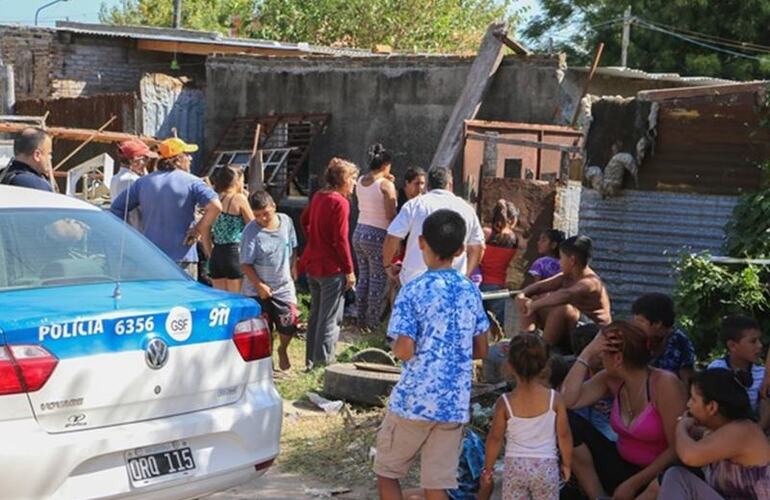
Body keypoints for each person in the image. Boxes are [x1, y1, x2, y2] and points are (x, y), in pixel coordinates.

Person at [374, 209, 489, 500]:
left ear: (421, 242)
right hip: (453, 404)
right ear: (461, 249)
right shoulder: (470, 291)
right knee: (437, 484)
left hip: (414, 401)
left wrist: (397, 347)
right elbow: (481, 349)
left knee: (387, 472)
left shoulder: (412, 291)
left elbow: (404, 350)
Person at [561, 320, 687, 499]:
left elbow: (676, 448)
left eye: (603, 353)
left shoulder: (665, 384)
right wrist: (586, 354)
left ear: (618, 359)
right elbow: (567, 401)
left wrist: (632, 484)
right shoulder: (610, 379)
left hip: (656, 475)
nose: (600, 358)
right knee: (565, 419)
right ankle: (598, 496)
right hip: (620, 464)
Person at [110, 137, 221, 279]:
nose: (190, 158)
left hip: (151, 256)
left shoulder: (143, 182)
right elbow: (215, 206)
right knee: (183, 293)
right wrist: (197, 229)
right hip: (182, 255)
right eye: (187, 154)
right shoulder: (192, 181)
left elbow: (116, 209)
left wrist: (131, 238)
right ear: (178, 159)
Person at [478, 333, 572, 500]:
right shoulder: (554, 399)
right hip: (546, 466)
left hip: (515, 466)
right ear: (545, 365)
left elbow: (495, 438)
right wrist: (566, 463)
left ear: (509, 366)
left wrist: (488, 469)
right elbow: (564, 435)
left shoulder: (505, 402)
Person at [658, 369, 770, 499]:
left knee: (677, 477)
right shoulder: (725, 430)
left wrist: (681, 425)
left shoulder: (741, 430)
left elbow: (689, 456)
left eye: (693, 399)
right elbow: (701, 435)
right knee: (670, 476)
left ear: (712, 407)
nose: (688, 404)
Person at [299, 158, 358, 370]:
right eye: (352, 178)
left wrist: (314, 240)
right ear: (343, 179)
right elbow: (341, 240)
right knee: (330, 319)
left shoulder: (319, 196)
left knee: (316, 316)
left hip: (314, 264)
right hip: (332, 268)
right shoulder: (340, 202)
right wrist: (349, 270)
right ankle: (323, 365)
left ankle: (310, 361)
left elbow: (304, 220)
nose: (354, 183)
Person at [382, 166, 485, 287]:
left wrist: (387, 265)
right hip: (452, 285)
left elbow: (392, 237)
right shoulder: (466, 209)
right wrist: (465, 275)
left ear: (428, 185)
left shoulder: (414, 205)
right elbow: (478, 247)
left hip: (414, 281)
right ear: (450, 185)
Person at [516, 235, 611, 349]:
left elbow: (566, 295)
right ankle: (525, 341)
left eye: (561, 258)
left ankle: (542, 349)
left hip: (592, 332)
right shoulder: (567, 276)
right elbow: (539, 287)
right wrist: (522, 295)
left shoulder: (590, 282)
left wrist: (533, 305)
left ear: (572, 260)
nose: (559, 262)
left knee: (564, 309)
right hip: (573, 329)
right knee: (531, 300)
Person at [240, 190, 299, 371]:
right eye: (257, 215)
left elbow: (293, 246)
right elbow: (245, 264)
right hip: (257, 288)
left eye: (265, 213)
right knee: (264, 328)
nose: (262, 219)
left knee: (289, 323)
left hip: (283, 285)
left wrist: (294, 266)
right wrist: (259, 285)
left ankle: (283, 349)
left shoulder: (286, 221)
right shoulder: (251, 232)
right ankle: (267, 360)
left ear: (273, 206)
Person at [353, 144, 398, 329]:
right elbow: (391, 214)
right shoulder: (386, 185)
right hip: (378, 234)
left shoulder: (360, 181)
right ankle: (372, 323)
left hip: (359, 231)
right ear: (386, 165)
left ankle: (360, 318)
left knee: (363, 277)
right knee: (377, 279)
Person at [707, 315, 767, 418]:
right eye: (753, 341)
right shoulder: (716, 369)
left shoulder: (764, 375)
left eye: (759, 340)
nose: (760, 345)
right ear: (732, 346)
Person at [632, 293, 695, 385]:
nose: (636, 325)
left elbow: (687, 380)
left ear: (657, 323)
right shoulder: (637, 338)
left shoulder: (680, 343)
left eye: (641, 321)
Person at [208, 166, 253, 292]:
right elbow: (253, 225)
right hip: (234, 252)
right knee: (236, 298)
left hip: (216, 252)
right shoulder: (238, 198)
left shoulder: (214, 198)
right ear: (237, 181)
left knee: (220, 298)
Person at [479, 199, 519, 325]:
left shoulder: (485, 233)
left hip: (478, 282)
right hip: (498, 285)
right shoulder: (514, 239)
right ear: (512, 219)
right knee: (497, 326)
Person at [109, 139, 157, 231]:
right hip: (135, 231)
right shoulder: (132, 180)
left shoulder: (115, 178)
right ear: (136, 160)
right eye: (145, 159)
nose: (146, 163)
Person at [0, 127, 53, 192]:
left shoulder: (3, 175)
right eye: (49, 153)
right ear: (37, 155)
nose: (50, 157)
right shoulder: (36, 185)